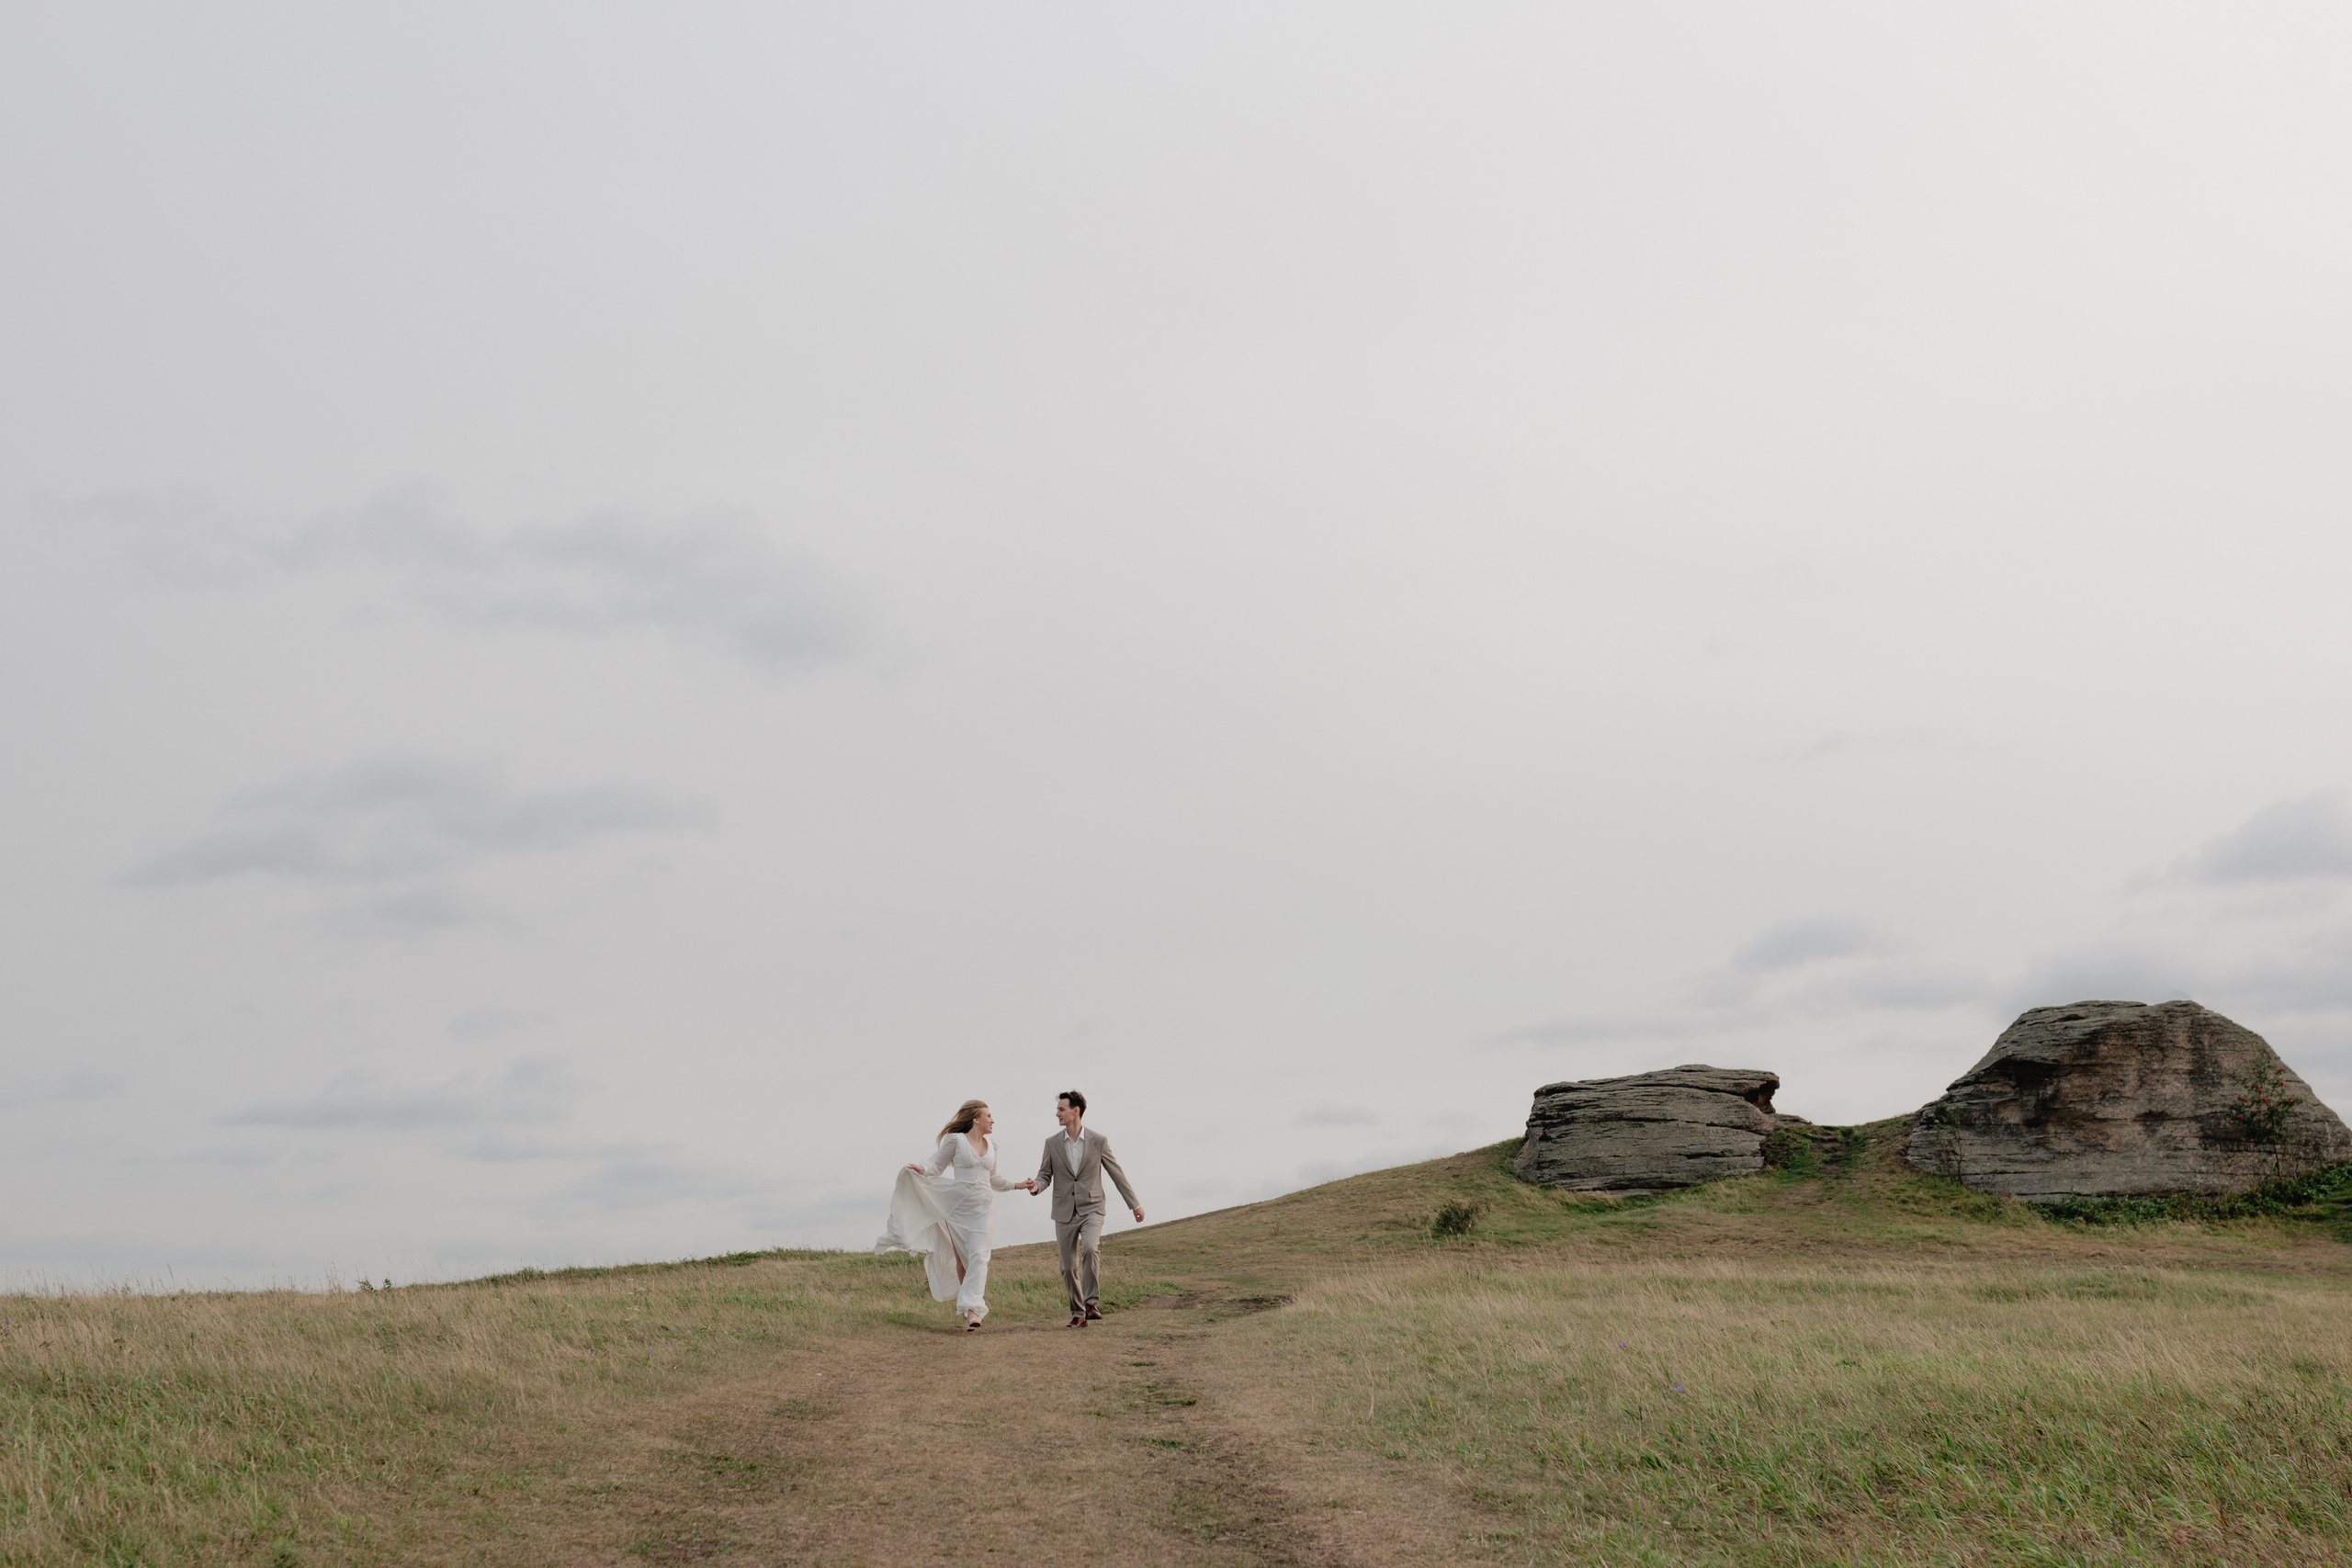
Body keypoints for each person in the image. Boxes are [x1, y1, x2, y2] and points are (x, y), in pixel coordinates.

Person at [875, 1100, 1025, 1331]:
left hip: (984, 1209)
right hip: (957, 1208)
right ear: (976, 1119)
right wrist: (921, 1169)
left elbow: (994, 1179)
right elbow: (936, 1166)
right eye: (988, 1115)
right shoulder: (955, 1140)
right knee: (963, 1261)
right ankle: (969, 1312)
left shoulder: (993, 1145)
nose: (992, 1120)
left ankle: (973, 1308)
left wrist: (1018, 1184)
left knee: (979, 1256)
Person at [1027, 1089, 1144, 1328]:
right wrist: (1037, 1187)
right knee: (1067, 1266)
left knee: (1090, 1248)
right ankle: (1078, 1314)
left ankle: (1091, 1304)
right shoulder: (1051, 1143)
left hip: (1092, 1207)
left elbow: (1116, 1173)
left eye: (1061, 1109)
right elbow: (1044, 1174)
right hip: (1063, 1211)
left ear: (1075, 1111)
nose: (1057, 1113)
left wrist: (1135, 1205)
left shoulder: (1098, 1141)